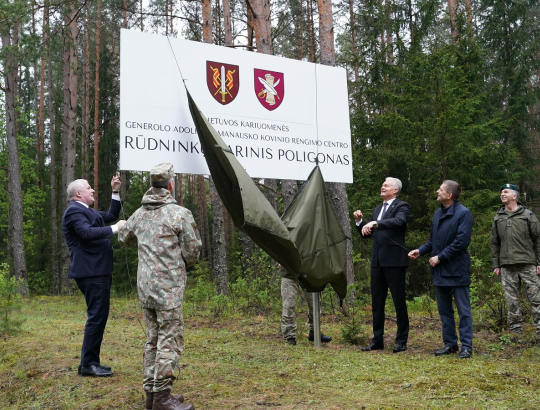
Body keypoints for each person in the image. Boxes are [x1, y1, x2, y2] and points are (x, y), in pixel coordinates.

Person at [118, 163, 202, 410]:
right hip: (168, 290)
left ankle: (152, 396)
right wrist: (181, 264)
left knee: (153, 339)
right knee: (170, 339)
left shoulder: (139, 214)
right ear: (171, 185)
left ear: (152, 185)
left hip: (146, 289)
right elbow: (193, 250)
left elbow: (123, 238)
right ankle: (162, 398)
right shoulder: (179, 214)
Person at [61, 175, 126, 377]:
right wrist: (116, 229)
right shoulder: (74, 212)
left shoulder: (87, 211)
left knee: (99, 316)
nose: (93, 191)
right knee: (96, 318)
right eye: (89, 188)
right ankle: (88, 364)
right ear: (78, 193)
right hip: (91, 273)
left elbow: (111, 214)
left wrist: (115, 191)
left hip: (98, 271)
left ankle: (90, 362)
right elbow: (87, 233)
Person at [408, 180, 474, 359]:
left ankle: (466, 346)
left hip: (457, 270)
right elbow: (434, 241)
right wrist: (420, 251)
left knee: (463, 311)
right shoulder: (438, 214)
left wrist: (440, 257)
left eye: (441, 189)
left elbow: (461, 242)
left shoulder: (463, 213)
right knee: (444, 311)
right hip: (440, 271)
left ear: (449, 195)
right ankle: (450, 344)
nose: (437, 191)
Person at [353, 177, 410, 353]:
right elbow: (366, 235)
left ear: (395, 190)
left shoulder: (402, 206)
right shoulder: (377, 209)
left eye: (386, 185)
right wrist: (360, 223)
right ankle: (377, 340)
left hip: (394, 261)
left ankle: (401, 341)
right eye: (382, 184)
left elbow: (399, 222)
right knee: (377, 303)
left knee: (399, 302)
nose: (382, 186)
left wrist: (375, 222)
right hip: (377, 262)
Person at [490, 183, 540, 337]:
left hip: (528, 263)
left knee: (536, 298)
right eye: (501, 192)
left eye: (506, 192)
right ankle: (516, 332)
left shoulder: (528, 215)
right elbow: (494, 243)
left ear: (515, 195)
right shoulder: (498, 217)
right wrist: (496, 264)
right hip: (507, 265)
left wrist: (539, 262)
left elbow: (538, 238)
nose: (502, 194)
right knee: (511, 301)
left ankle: (539, 328)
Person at [280, 268, 332, 346]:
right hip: (289, 270)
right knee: (288, 304)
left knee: (314, 303)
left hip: (309, 270)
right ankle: (290, 336)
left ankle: (314, 331)